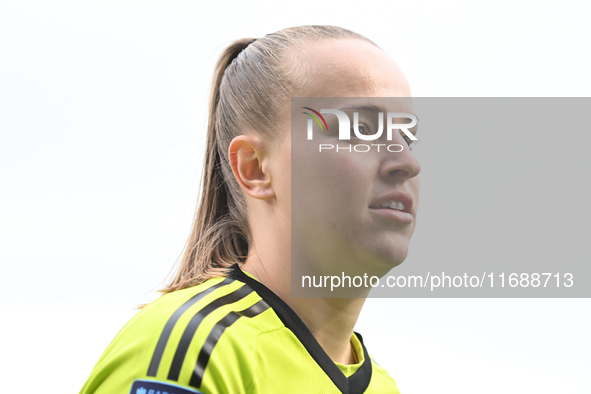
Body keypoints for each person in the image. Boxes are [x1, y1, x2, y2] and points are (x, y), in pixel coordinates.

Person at [80, 25, 420, 394]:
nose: (406, 161)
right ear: (255, 168)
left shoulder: (384, 387)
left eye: (407, 135)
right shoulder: (196, 349)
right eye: (361, 128)